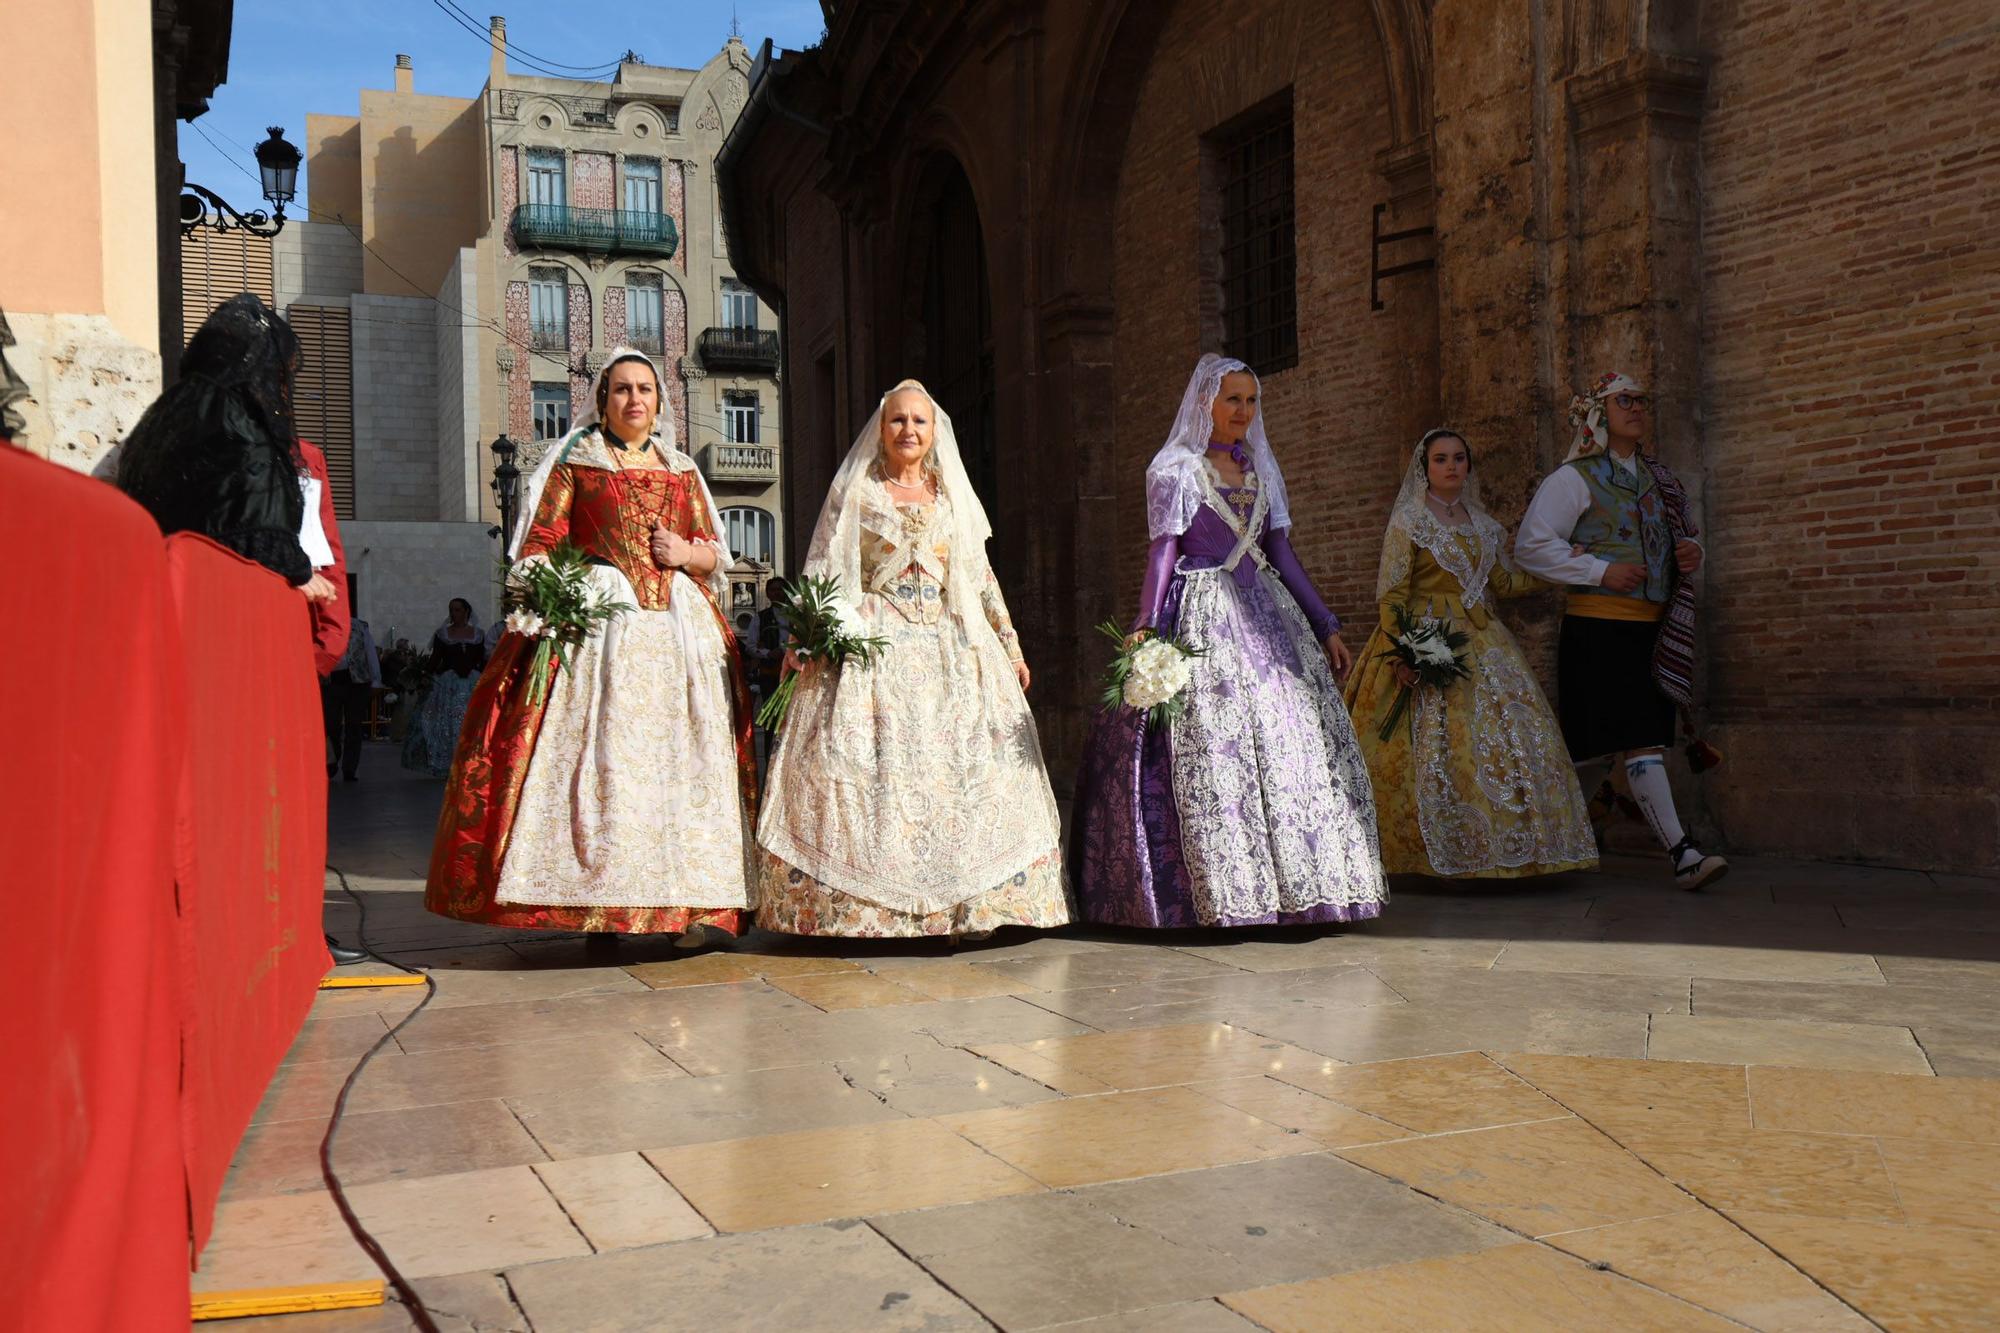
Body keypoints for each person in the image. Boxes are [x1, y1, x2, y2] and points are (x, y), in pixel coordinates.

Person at [426, 348, 755, 947]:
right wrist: (564, 588)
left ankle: (685, 908)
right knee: (603, 769)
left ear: (661, 402)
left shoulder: (682, 469)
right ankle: (599, 909)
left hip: (680, 640)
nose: (635, 400)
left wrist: (686, 554)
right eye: (623, 389)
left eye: (646, 390)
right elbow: (542, 542)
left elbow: (714, 553)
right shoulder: (575, 461)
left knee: (686, 769)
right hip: (603, 640)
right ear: (603, 399)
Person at [1071, 354, 1386, 928]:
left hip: (1268, 612)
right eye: (1232, 399)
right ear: (1205, 404)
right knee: (1214, 745)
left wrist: (1326, 625)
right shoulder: (1176, 470)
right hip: (1201, 609)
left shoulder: (1263, 470)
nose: (1243, 410)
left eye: (1251, 400)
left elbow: (1283, 553)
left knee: (1289, 736)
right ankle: (1213, 890)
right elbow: (1164, 549)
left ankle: (1304, 888)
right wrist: (1144, 622)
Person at [755, 380, 1070, 939]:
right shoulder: (857, 492)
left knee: (964, 773)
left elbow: (978, 578)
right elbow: (825, 566)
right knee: (869, 773)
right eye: (898, 421)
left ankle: (968, 906)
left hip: (950, 647)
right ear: (882, 428)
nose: (909, 431)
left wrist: (1010, 644)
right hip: (872, 646)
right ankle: (862, 911)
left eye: (919, 422)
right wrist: (802, 638)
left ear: (933, 432)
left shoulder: (950, 498)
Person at [117, 293, 361, 962]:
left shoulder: (167, 416)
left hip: (172, 638)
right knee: (260, 802)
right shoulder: (238, 424)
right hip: (237, 648)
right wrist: (298, 570)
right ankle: (265, 937)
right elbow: (247, 532)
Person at [1343, 430, 1597, 878]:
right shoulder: (1410, 522)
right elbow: (1392, 597)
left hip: (1486, 644)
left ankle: (1504, 852)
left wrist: (1564, 566)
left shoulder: (1482, 523)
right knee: (1432, 752)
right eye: (1441, 459)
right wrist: (1404, 653)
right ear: (1426, 469)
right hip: (1428, 640)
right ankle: (1420, 853)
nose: (1452, 467)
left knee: (1503, 744)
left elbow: (1503, 584)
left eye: (1459, 458)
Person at [1514, 371, 1727, 889]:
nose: (1636, 408)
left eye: (1640, 400)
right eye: (1624, 400)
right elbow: (1531, 547)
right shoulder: (1573, 479)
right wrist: (1599, 571)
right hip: (1597, 633)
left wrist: (1689, 554)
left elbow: (1680, 541)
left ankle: (1673, 852)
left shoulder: (1661, 481)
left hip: (1649, 635)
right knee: (1599, 749)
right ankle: (1671, 850)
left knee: (1638, 743)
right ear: (1597, 413)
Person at [401, 598, 486, 777]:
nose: (454, 614)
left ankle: (471, 761)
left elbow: (482, 659)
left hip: (472, 682)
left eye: (458, 610)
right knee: (447, 723)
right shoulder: (443, 634)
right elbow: (436, 658)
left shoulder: (478, 634)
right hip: (449, 683)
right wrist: (423, 674)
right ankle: (450, 762)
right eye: (452, 610)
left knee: (472, 722)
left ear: (466, 612)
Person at [324, 618, 381, 781]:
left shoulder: (359, 627)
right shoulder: (323, 625)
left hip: (358, 682)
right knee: (331, 725)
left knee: (354, 726)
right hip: (331, 681)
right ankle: (331, 762)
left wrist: (376, 679)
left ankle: (350, 768)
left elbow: (369, 652)